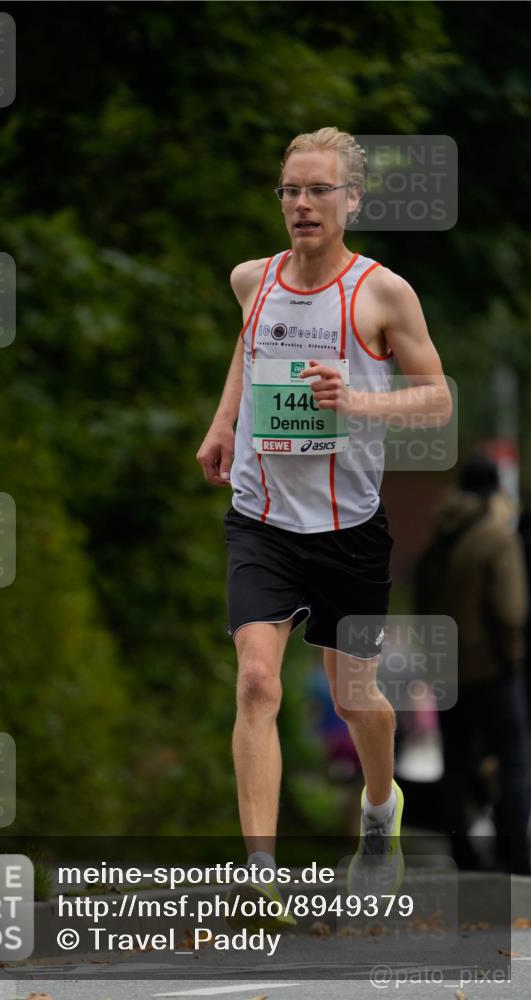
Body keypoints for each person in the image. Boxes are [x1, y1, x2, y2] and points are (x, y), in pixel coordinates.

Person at [196, 127, 452, 918]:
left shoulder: (381, 293)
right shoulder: (252, 280)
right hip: (261, 518)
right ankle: (260, 874)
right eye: (290, 191)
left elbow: (438, 396)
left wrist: (361, 400)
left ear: (350, 200)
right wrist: (221, 422)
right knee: (256, 682)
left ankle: (380, 812)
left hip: (347, 528)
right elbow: (247, 350)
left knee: (355, 702)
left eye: (317, 191)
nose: (302, 205)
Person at [415, 453, 531, 874]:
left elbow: (421, 604)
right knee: (515, 761)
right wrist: (511, 659)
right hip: (492, 671)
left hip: (447, 671)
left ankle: (462, 853)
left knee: (456, 764)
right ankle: (516, 855)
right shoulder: (495, 538)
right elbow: (511, 609)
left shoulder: (438, 537)